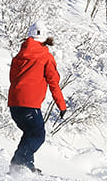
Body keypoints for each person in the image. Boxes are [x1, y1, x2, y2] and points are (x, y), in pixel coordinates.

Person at [7, 23, 67, 173]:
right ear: (45, 38)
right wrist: (62, 105)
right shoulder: (46, 57)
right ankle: (20, 164)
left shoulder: (19, 55)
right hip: (30, 104)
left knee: (30, 133)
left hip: (14, 103)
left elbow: (12, 78)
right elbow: (53, 82)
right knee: (38, 134)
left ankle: (25, 165)